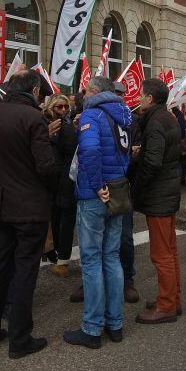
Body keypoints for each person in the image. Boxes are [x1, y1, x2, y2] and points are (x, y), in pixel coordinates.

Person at [0, 70, 58, 358]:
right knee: (25, 270)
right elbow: (45, 166)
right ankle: (20, 338)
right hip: (29, 206)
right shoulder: (33, 118)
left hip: (0, 203)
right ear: (34, 91)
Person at [63, 76, 131, 349]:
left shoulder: (93, 114)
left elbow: (90, 151)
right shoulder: (123, 114)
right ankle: (115, 323)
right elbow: (124, 153)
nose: (83, 94)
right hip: (118, 190)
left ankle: (92, 328)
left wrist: (97, 184)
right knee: (111, 257)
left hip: (96, 194)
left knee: (92, 261)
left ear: (94, 91)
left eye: (86, 90)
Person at [133, 78, 183, 325]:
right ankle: (172, 298)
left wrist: (138, 186)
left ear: (150, 98)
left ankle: (167, 305)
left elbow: (153, 162)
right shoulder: (167, 117)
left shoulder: (155, 123)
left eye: (141, 95)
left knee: (161, 254)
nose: (138, 98)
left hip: (159, 194)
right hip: (167, 191)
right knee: (169, 251)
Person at [44, 94, 78, 278]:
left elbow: (70, 153)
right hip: (49, 179)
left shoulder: (67, 124)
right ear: (51, 107)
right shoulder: (44, 123)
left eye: (66, 106)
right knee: (53, 217)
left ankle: (61, 257)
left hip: (64, 179)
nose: (64, 109)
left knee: (63, 219)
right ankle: (53, 251)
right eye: (59, 106)